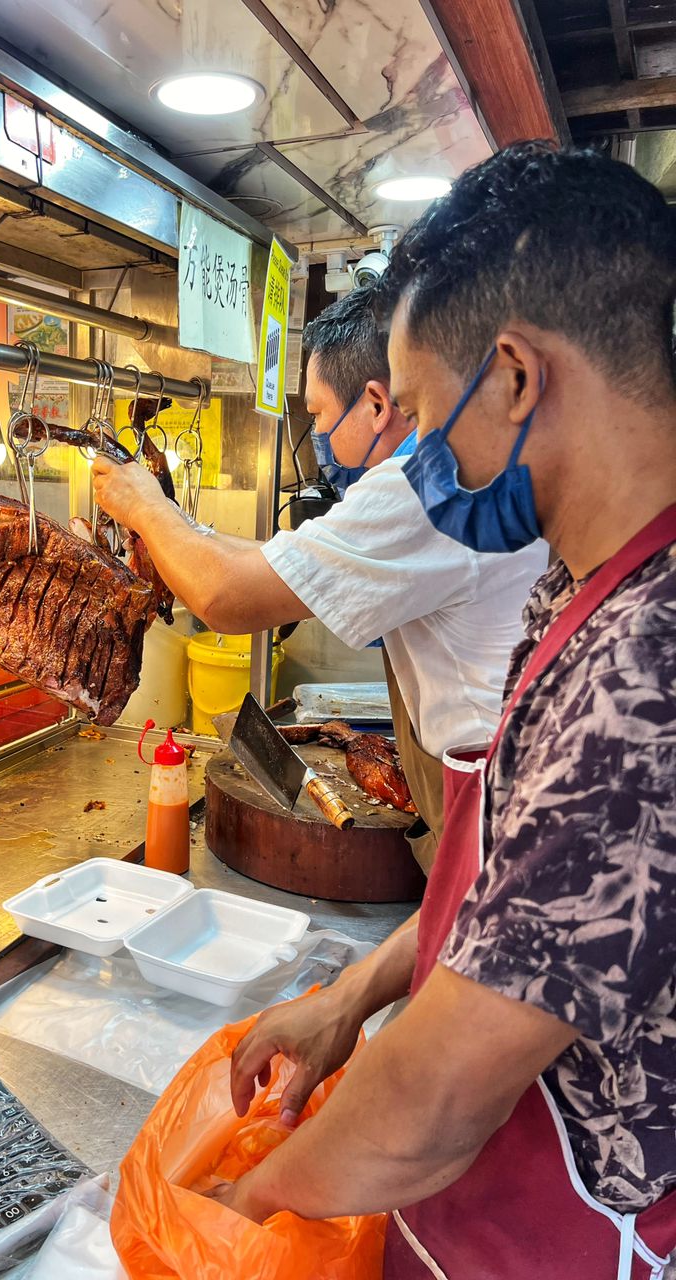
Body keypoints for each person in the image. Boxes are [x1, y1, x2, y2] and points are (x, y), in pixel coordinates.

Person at [211, 142, 676, 1279]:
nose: (414, 458)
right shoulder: (583, 584)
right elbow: (514, 904)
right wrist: (349, 999)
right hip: (468, 1218)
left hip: (561, 1241)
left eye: (422, 416)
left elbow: (436, 1101)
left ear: (516, 375)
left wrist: (236, 1206)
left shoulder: (649, 674)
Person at [92, 287, 547, 870]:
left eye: (319, 414)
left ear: (378, 404)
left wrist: (146, 511)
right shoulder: (463, 467)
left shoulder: (421, 485)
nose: (318, 434)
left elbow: (226, 597)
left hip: (496, 811)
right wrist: (177, 525)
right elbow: (278, 559)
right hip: (496, 789)